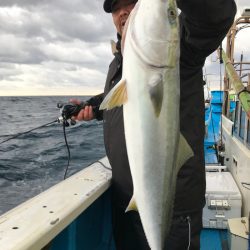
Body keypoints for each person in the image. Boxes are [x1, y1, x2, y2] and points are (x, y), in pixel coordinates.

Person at [72, 0, 236, 249]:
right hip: (128, 202)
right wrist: (93, 108)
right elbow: (127, 102)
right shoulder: (120, 62)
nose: (123, 11)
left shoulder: (180, 42)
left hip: (173, 206)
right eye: (116, 8)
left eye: (131, 3)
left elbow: (216, 15)